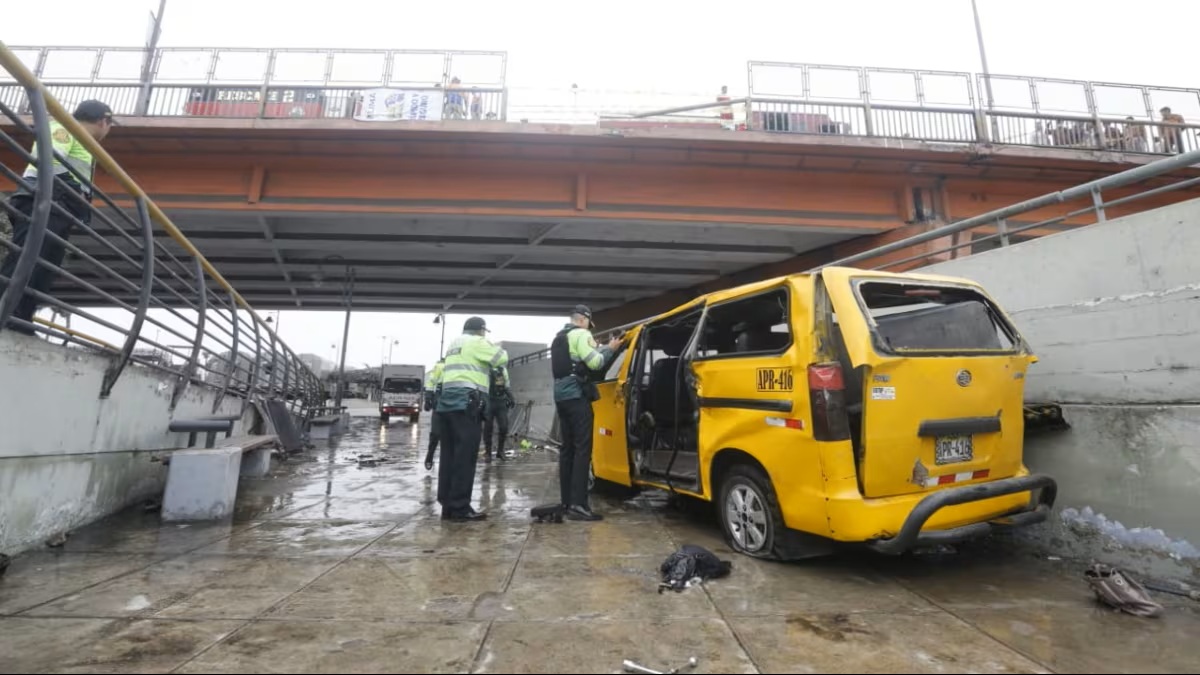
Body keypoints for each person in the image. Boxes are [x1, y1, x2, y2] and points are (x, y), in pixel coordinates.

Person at [0, 100, 115, 334]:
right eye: (110, 124)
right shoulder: (64, 127)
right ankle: (7, 314)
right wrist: (71, 195)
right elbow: (50, 162)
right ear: (104, 121)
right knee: (27, 259)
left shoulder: (81, 140)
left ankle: (20, 320)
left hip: (58, 205)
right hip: (45, 200)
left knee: (43, 268)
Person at [551, 304, 622, 521]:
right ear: (583, 320)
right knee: (583, 450)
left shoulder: (559, 338)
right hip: (576, 397)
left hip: (561, 398)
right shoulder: (582, 335)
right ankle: (579, 505)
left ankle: (566, 502)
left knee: (567, 450)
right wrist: (610, 348)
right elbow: (596, 362)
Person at [436, 317, 508, 521]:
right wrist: (491, 344)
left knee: (449, 456)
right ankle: (460, 508)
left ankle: (447, 505)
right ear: (481, 330)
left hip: (447, 405)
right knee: (465, 457)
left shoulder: (454, 344)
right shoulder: (477, 342)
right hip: (467, 405)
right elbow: (501, 358)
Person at [482, 365, 514, 462]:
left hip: (501, 401)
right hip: (489, 401)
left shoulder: (502, 369)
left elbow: (506, 385)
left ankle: (500, 451)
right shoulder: (486, 368)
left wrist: (511, 397)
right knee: (488, 428)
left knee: (504, 427)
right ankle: (488, 453)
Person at [423, 358, 445, 471]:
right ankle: (430, 456)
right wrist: (428, 398)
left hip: (456, 405)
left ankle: (447, 462)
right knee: (436, 433)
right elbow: (431, 382)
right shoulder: (441, 367)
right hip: (439, 403)